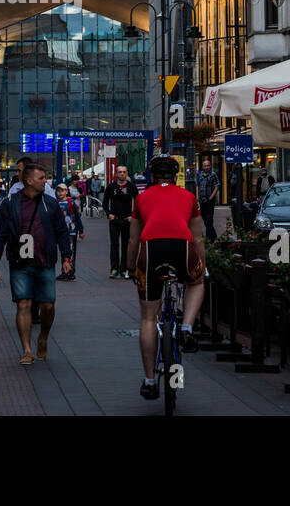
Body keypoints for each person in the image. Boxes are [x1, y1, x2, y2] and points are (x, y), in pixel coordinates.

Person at [128, 154, 205, 400]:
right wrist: (202, 265)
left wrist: (130, 267)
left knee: (148, 318)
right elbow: (198, 238)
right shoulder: (189, 197)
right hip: (181, 247)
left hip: (151, 250)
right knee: (196, 281)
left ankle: (150, 381)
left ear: (152, 176)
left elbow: (132, 239)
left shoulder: (141, 198)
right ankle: (186, 327)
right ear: (175, 176)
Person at [0, 163, 72, 365]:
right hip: (20, 262)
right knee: (23, 304)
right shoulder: (10, 204)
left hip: (45, 261)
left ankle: (43, 336)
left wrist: (67, 257)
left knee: (48, 305)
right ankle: (26, 349)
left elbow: (62, 232)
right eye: (42, 178)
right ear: (29, 181)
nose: (46, 181)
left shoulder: (50, 203)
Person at [102, 164, 138, 279]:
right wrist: (109, 214)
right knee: (114, 244)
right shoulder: (111, 187)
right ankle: (114, 269)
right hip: (115, 221)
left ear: (127, 174)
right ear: (116, 174)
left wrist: (133, 216)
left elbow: (138, 202)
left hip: (127, 221)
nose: (122, 174)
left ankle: (124, 269)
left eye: (124, 172)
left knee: (126, 245)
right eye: (120, 172)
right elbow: (104, 202)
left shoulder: (132, 187)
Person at [55, 183, 85, 280]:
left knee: (71, 252)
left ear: (66, 192)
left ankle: (71, 272)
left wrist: (81, 230)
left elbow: (77, 217)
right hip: (61, 232)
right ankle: (64, 271)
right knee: (64, 252)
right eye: (58, 191)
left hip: (71, 232)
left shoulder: (71, 203)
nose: (60, 193)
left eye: (62, 190)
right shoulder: (56, 203)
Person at [195, 156, 221, 242]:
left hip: (209, 201)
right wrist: (197, 196)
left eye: (208, 165)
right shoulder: (200, 174)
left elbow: (217, 186)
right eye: (205, 165)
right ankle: (213, 235)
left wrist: (211, 197)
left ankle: (209, 239)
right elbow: (197, 185)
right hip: (202, 200)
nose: (207, 167)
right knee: (205, 219)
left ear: (210, 166)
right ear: (203, 167)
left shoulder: (213, 174)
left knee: (209, 219)